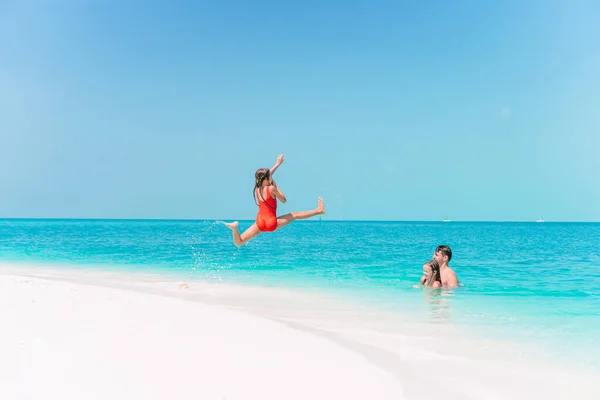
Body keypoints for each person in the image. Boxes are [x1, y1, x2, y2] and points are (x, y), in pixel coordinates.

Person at [224, 154, 325, 247]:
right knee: (295, 215)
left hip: (260, 222)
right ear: (267, 179)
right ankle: (319, 210)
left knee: (239, 242)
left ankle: (235, 228)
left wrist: (277, 164)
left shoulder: (258, 188)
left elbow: (267, 175)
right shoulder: (271, 188)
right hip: (271, 223)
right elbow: (284, 200)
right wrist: (275, 185)